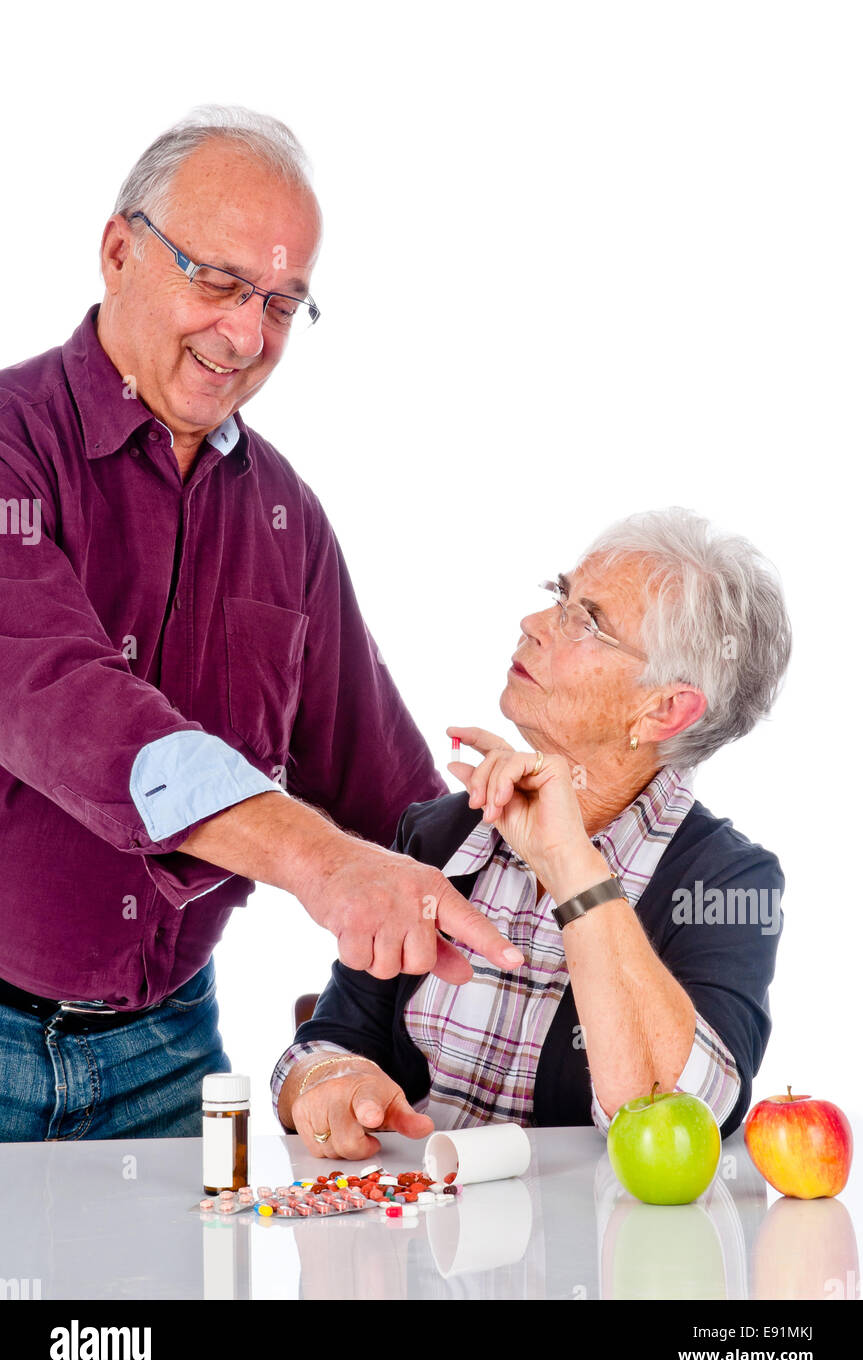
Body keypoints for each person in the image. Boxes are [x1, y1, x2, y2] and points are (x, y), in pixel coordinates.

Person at [0, 106, 519, 1143]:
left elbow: (387, 792)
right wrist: (319, 866)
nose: (245, 333)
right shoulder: (12, 446)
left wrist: (553, 879)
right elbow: (64, 700)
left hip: (171, 1054)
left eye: (282, 301)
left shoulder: (286, 516)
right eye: (219, 281)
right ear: (117, 251)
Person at [274, 509, 792, 1156]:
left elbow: (692, 1112)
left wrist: (570, 861)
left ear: (664, 708)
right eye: (559, 598)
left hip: (595, 1253)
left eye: (587, 621)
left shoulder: (725, 880)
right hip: (418, 1244)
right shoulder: (441, 833)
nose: (533, 624)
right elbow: (326, 1041)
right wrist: (329, 1078)